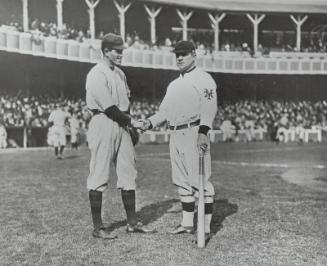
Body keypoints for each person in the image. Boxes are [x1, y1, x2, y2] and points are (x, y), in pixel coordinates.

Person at [138, 40, 217, 239]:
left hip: (194, 131)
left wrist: (203, 132)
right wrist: (149, 122)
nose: (180, 58)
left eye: (184, 54)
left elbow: (210, 107)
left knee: (201, 181)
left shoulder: (204, 79)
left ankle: (205, 228)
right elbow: (164, 111)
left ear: (193, 54)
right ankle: (188, 224)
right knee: (182, 181)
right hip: (175, 134)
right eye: (177, 54)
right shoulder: (173, 84)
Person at [85, 33, 156, 239]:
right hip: (103, 121)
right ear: (106, 51)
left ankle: (132, 223)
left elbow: (126, 102)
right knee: (99, 174)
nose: (120, 54)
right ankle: (98, 227)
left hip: (122, 124)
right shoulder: (96, 73)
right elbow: (108, 107)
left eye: (121, 50)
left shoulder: (120, 74)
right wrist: (130, 121)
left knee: (128, 173)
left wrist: (132, 123)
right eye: (116, 50)